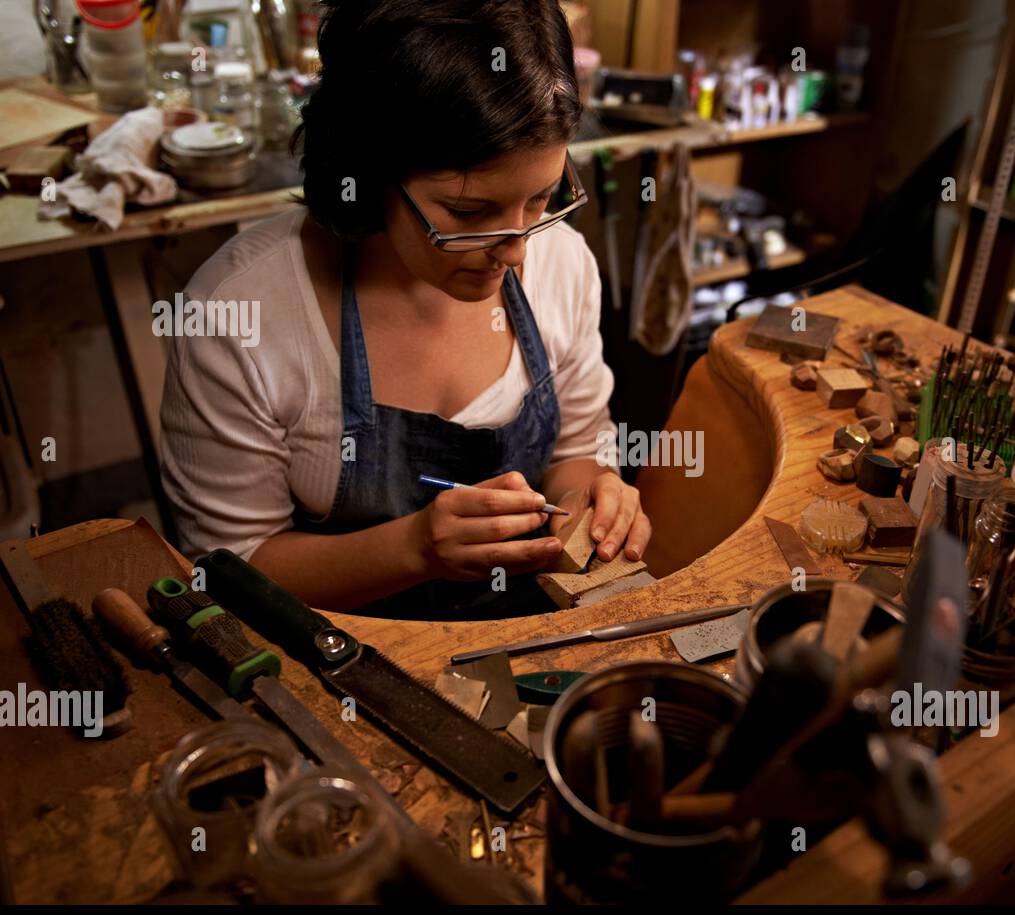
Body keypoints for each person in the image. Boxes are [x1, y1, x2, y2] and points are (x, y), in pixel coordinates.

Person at [160, 0, 650, 618]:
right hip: (337, 659)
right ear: (367, 173)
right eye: (468, 213)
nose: (517, 250)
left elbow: (575, 450)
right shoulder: (238, 315)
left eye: (541, 198)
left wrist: (595, 494)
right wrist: (415, 550)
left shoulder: (561, 260)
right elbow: (228, 570)